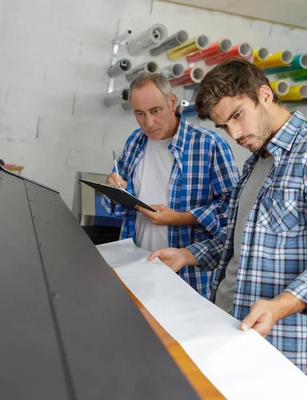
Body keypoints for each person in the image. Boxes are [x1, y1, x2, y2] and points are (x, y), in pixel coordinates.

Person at [149, 59, 307, 373]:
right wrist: (187, 254)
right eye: (224, 126)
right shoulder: (256, 161)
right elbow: (240, 240)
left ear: (264, 95)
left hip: (278, 339)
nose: (234, 133)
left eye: (237, 116)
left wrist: (279, 306)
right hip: (228, 320)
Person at [102, 72, 239, 298]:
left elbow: (232, 210)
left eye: (155, 111)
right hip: (137, 266)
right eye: (139, 114)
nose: (149, 122)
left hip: (188, 278)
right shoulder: (135, 141)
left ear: (172, 102)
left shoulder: (209, 145)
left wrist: (178, 217)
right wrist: (115, 191)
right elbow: (119, 207)